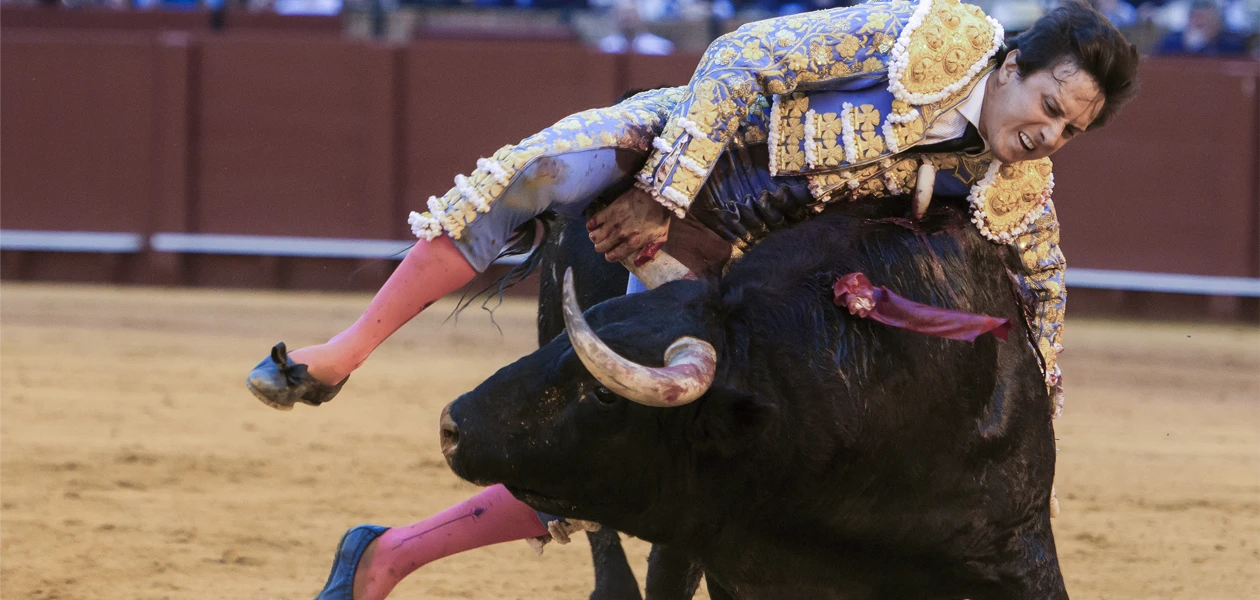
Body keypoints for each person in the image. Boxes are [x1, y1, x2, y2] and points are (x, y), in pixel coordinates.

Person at [244, 1, 1139, 598]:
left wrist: (1030, 433)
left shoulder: (1019, 189)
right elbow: (742, 57)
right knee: (536, 177)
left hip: (769, 269)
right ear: (1013, 62)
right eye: (1049, 105)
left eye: (1071, 129)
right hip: (694, 171)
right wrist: (662, 193)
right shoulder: (932, 39)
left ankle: (389, 553)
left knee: (669, 452)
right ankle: (346, 349)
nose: (1048, 134)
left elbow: (1039, 307)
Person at [1154, 0, 1248, 55]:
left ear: (1217, 22)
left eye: (1205, 18)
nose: (1199, 23)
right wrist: (1190, 48)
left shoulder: (1232, 44)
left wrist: (1207, 45)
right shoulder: (1172, 42)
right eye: (1195, 18)